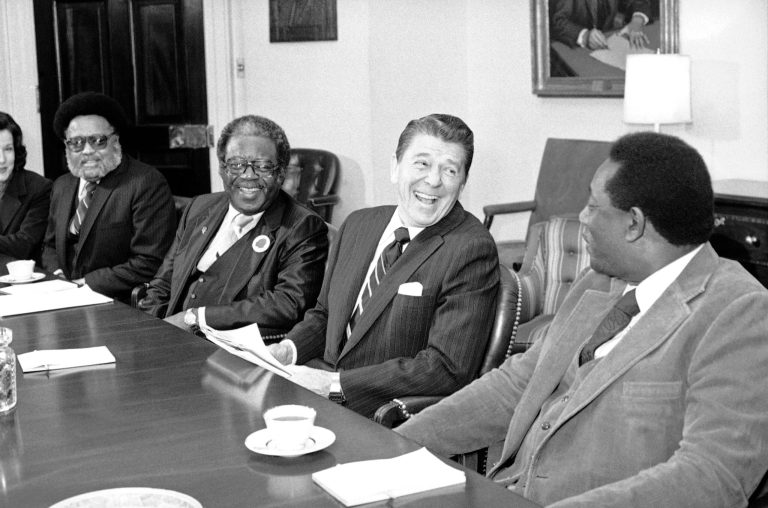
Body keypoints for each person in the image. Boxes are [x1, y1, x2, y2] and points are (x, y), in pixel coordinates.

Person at [396, 131, 768, 507]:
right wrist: (397, 447)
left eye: (592, 206)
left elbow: (711, 476)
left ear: (634, 223)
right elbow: (519, 383)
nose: (582, 219)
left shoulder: (740, 314)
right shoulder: (600, 282)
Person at [268, 113, 500, 418]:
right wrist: (287, 350)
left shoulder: (471, 248)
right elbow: (325, 315)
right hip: (312, 391)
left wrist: (334, 384)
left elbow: (447, 368)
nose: (433, 180)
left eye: (450, 170)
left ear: (463, 181)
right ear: (395, 167)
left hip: (381, 415)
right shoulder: (359, 224)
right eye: (422, 163)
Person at [139, 115, 328, 335]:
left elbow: (288, 303)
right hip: (170, 338)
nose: (248, 175)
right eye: (236, 165)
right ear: (222, 169)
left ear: (281, 173)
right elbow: (164, 281)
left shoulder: (302, 226)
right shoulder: (199, 207)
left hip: (231, 349)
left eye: (263, 166)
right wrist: (148, 330)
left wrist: (196, 317)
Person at [41, 91, 176, 302]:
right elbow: (49, 245)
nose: (87, 151)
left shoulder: (145, 183)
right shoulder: (62, 185)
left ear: (116, 140)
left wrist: (84, 284)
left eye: (97, 140)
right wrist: (57, 276)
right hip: (60, 295)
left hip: (115, 301)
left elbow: (149, 261)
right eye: (76, 143)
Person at [0, 112, 52, 260]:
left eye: (8, 149)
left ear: (16, 150)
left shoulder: (39, 188)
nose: (2, 159)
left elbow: (24, 244)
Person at [550, 0, 652, 50]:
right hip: (570, 50)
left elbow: (638, 2)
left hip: (606, 45)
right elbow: (556, 22)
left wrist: (636, 22)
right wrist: (585, 36)